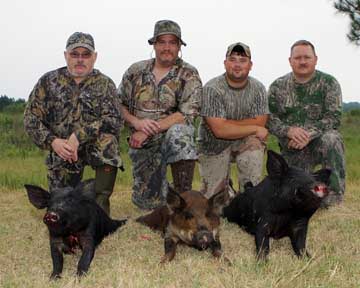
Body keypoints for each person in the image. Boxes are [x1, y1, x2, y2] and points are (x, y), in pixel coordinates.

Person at [24, 32, 123, 215]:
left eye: (85, 55)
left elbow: (115, 120)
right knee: (62, 207)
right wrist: (53, 142)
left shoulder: (105, 84)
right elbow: (31, 119)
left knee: (108, 142)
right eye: (74, 54)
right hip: (63, 150)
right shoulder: (48, 82)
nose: (80, 60)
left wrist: (79, 136)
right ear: (65, 55)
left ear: (94, 57)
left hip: (94, 147)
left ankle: (100, 210)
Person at [117, 20, 202, 210]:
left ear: (179, 46)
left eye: (172, 42)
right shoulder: (135, 72)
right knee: (148, 204)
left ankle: (183, 196)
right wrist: (136, 123)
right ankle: (161, 189)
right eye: (162, 42)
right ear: (154, 44)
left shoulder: (189, 74)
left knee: (181, 134)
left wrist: (148, 130)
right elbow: (118, 104)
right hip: (143, 144)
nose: (167, 47)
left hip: (170, 137)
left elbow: (187, 113)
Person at [267, 39, 345, 205]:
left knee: (332, 139)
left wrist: (307, 134)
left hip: (319, 143)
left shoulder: (329, 83)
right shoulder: (277, 87)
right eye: (297, 58)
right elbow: (269, 118)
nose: (302, 61)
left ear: (315, 59)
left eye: (307, 57)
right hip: (292, 148)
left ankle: (333, 197)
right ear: (290, 61)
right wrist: (288, 131)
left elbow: (334, 117)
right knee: (292, 198)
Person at [198, 42, 269, 198]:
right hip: (214, 145)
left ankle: (248, 195)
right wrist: (253, 126)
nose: (237, 64)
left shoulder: (258, 89)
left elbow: (261, 122)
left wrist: (226, 124)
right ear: (225, 63)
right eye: (233, 59)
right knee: (215, 202)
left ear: (250, 65)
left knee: (255, 144)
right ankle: (225, 189)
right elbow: (219, 130)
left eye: (242, 60)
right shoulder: (212, 89)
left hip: (245, 142)